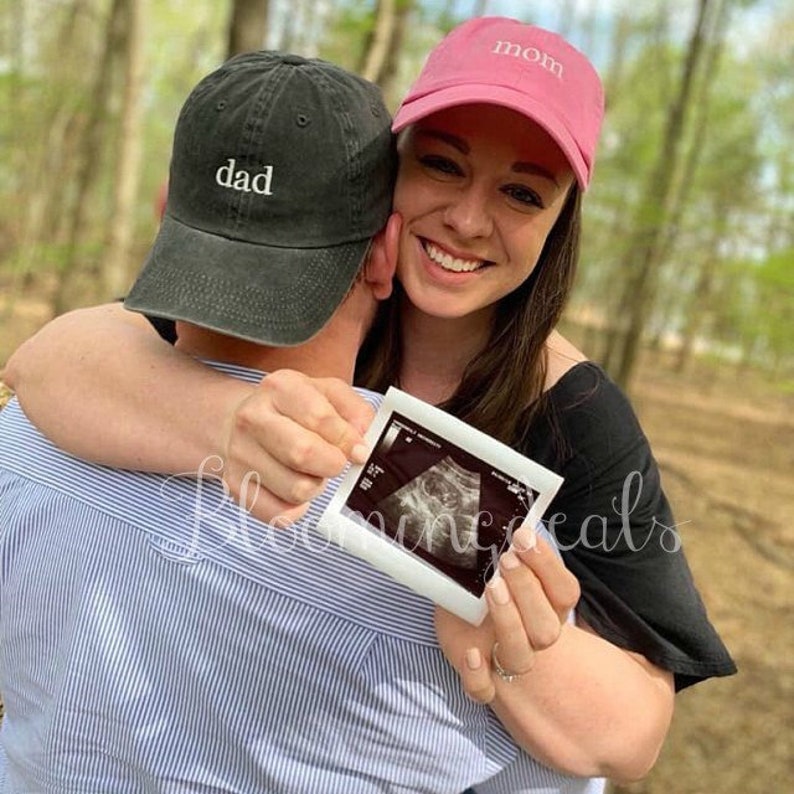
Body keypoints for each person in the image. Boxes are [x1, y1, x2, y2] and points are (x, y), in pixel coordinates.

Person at [4, 16, 736, 789]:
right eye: (443, 166)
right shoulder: (307, 292)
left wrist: (480, 587)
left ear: (560, 227)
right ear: (390, 173)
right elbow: (48, 361)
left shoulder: (575, 410)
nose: (466, 218)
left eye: (521, 193)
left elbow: (632, 736)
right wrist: (228, 423)